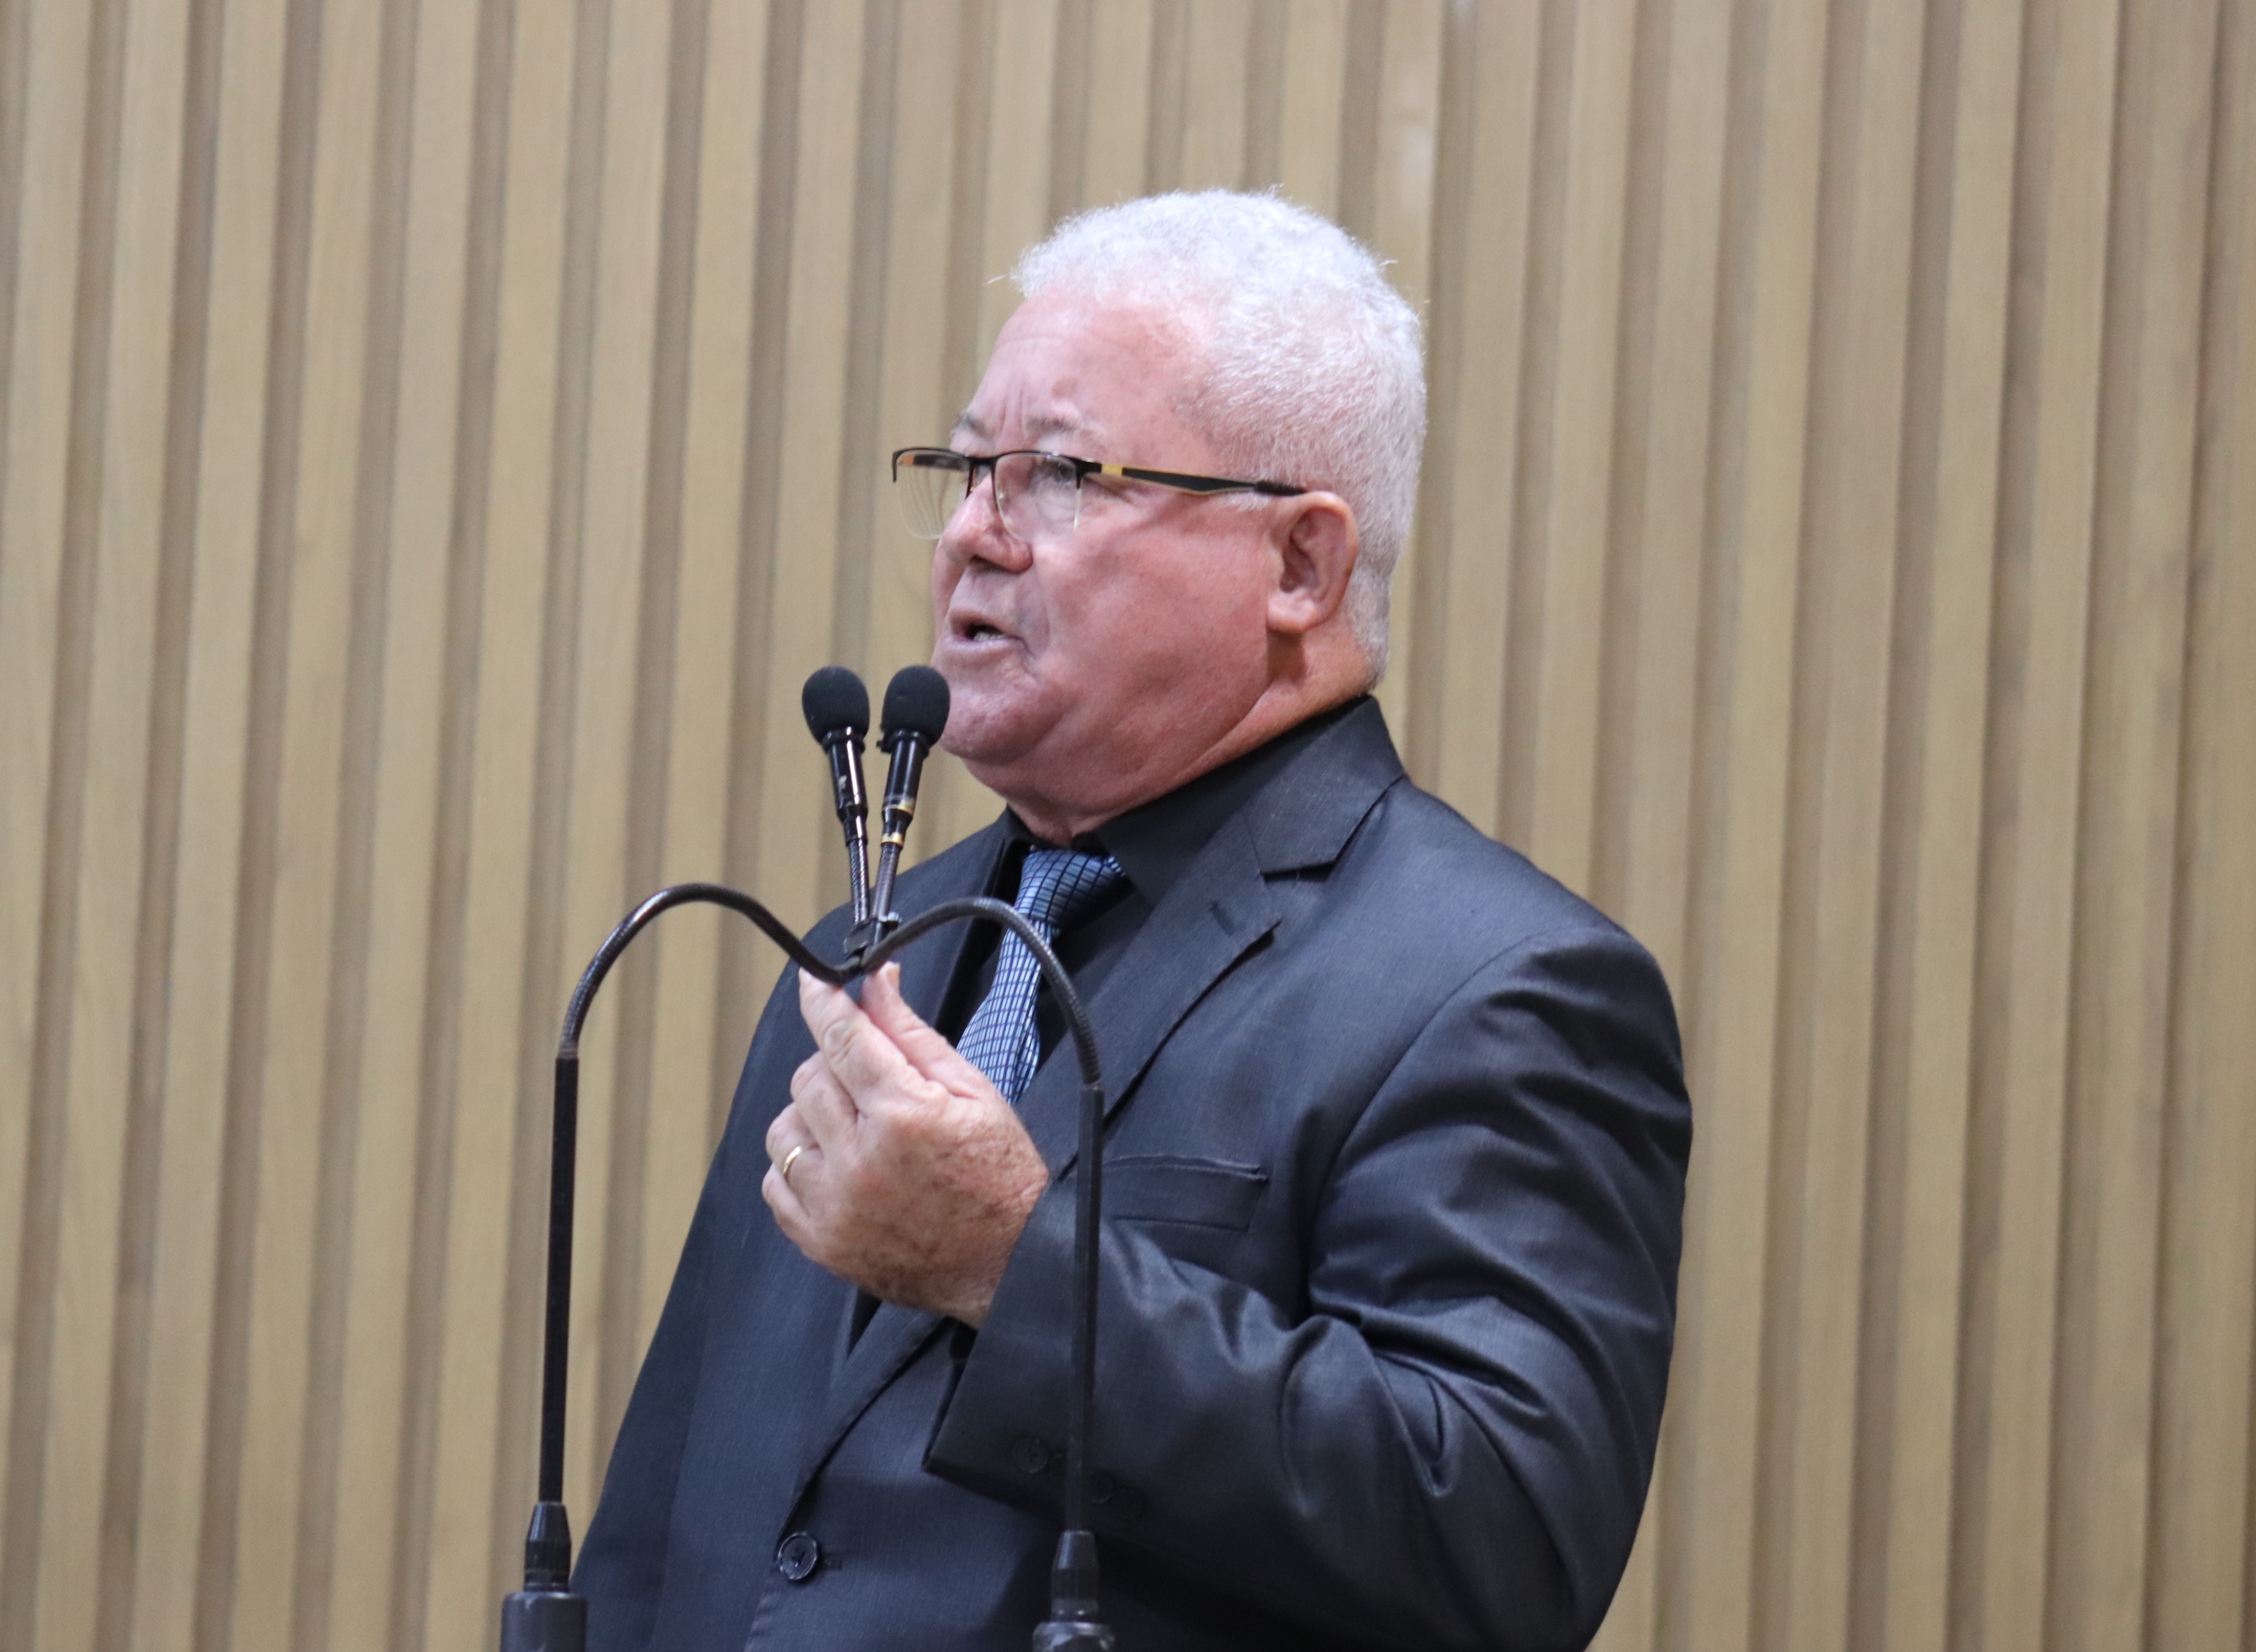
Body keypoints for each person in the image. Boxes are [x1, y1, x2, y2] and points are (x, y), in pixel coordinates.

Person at [570, 191, 1688, 1651]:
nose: (971, 535)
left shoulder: (1496, 985)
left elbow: (1501, 1531)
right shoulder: (879, 941)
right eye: (965, 468)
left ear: (1299, 566)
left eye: (1057, 475)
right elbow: (670, 1521)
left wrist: (1015, 1265)